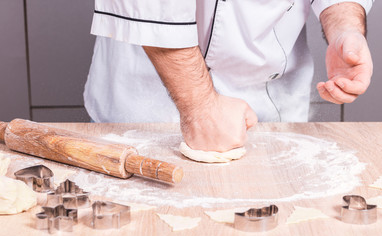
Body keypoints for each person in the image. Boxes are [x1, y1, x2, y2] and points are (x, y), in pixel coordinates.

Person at [84, 1, 373, 152]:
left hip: (273, 102)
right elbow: (152, 7)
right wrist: (200, 106)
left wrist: (345, 27)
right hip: (149, 103)